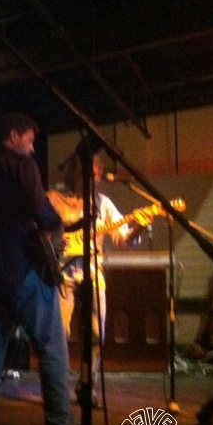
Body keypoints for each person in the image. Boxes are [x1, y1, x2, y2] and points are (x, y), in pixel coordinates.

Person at [0, 112, 80, 425]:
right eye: (28, 139)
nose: (31, 147)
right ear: (13, 135)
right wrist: (57, 224)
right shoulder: (23, 167)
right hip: (25, 270)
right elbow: (42, 211)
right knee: (52, 346)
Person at [47, 148, 152, 409]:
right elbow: (37, 232)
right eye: (88, 173)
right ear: (75, 173)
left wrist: (139, 224)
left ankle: (87, 386)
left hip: (93, 271)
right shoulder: (53, 199)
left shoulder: (103, 204)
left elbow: (122, 238)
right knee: (59, 333)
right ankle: (57, 390)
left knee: (96, 334)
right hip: (61, 273)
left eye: (97, 174)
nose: (94, 178)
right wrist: (54, 242)